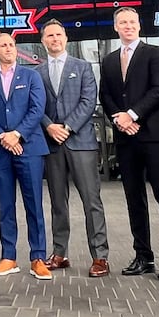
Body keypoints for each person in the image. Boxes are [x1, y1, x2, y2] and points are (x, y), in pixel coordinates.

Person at [100, 7, 159, 280]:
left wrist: (133, 115)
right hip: (125, 138)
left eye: (132, 21)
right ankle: (143, 256)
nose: (127, 26)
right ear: (116, 27)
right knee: (134, 199)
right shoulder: (110, 59)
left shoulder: (154, 53)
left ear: (139, 24)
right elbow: (106, 95)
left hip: (152, 135)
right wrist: (120, 120)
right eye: (122, 22)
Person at [36, 19, 109, 277]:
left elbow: (89, 100)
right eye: (49, 36)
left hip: (81, 142)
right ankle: (59, 253)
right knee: (58, 201)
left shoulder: (83, 66)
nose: (54, 39)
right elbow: (37, 106)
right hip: (52, 144)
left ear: (65, 38)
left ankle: (100, 256)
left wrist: (66, 126)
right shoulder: (39, 72)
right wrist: (49, 127)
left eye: (58, 34)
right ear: (43, 41)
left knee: (91, 200)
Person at [0, 32, 50, 279]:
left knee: (34, 204)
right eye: (3, 45)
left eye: (11, 44)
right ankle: (9, 257)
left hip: (29, 149)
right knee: (5, 205)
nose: (8, 48)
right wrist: (3, 136)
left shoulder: (32, 76)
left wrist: (17, 134)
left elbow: (37, 109)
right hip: (0, 152)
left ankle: (38, 257)